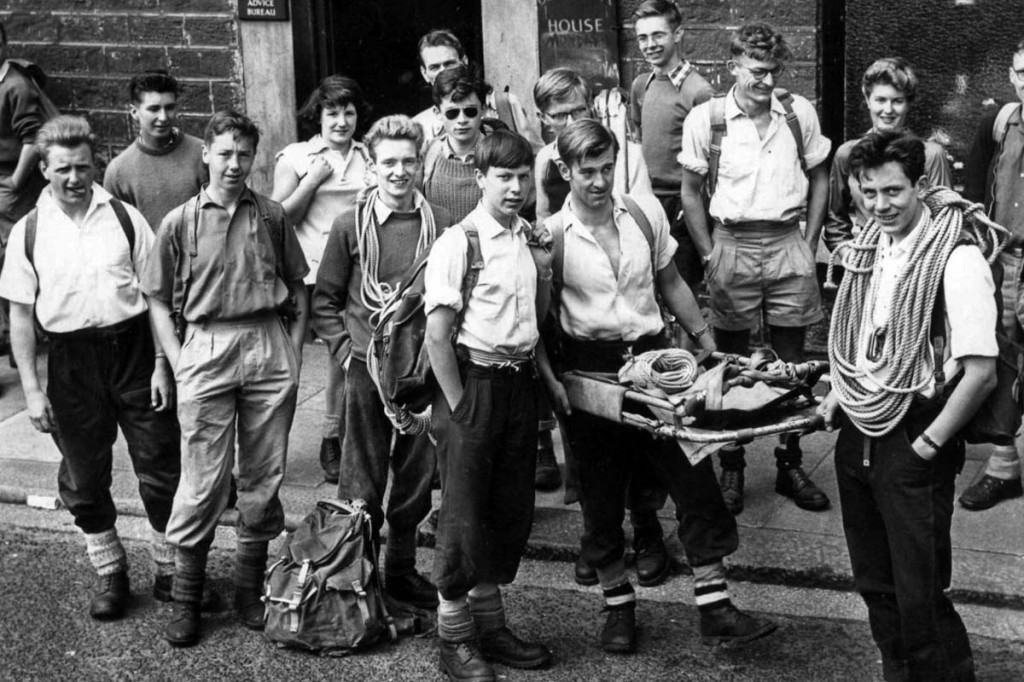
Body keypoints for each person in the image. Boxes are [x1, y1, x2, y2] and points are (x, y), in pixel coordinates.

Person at [538, 119, 775, 654]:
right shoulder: (550, 236)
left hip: (655, 365)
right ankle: (618, 610)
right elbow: (542, 318)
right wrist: (553, 382)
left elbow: (670, 282)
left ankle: (715, 608)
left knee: (695, 482)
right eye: (586, 171)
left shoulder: (643, 215)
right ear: (564, 170)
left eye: (605, 169)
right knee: (601, 500)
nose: (598, 182)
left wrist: (705, 340)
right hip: (590, 375)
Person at [820, 130, 995, 682]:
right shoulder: (871, 245)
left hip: (916, 434)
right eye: (867, 193)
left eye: (893, 192)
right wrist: (839, 394)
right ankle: (898, 672)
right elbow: (864, 333)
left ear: (920, 184)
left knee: (919, 590)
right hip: (860, 425)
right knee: (874, 580)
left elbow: (982, 373)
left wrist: (929, 443)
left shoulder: (956, 257)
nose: (879, 206)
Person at [0, 115, 180, 621]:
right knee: (83, 474)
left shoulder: (124, 218)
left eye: (82, 167)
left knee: (160, 462)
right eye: (62, 169)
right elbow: (20, 314)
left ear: (95, 164)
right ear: (44, 170)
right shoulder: (29, 233)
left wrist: (163, 364)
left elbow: (156, 297)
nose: (74, 178)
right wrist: (33, 391)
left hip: (134, 353)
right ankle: (110, 571)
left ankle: (169, 570)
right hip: (70, 362)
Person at [141, 110, 309, 647]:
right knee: (203, 481)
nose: (234, 164)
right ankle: (187, 599)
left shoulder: (273, 215)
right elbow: (157, 298)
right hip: (206, 346)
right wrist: (177, 357)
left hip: (266, 343)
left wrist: (294, 351)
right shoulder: (180, 221)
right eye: (225, 153)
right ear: (206, 155)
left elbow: (298, 289)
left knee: (263, 475)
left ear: (253, 158)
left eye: (244, 154)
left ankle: (247, 591)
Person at [679, 22, 832, 515]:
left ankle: (790, 462)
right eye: (756, 71)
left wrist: (808, 244)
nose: (766, 80)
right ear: (732, 67)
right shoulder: (709, 119)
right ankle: (732, 463)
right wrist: (708, 253)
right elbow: (689, 191)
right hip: (732, 244)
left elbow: (820, 176)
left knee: (792, 363)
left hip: (788, 240)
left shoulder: (798, 113)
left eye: (773, 71)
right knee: (729, 362)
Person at [532, 67, 671, 591]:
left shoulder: (628, 170)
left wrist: (701, 341)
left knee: (647, 448)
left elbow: (661, 265)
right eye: (558, 113)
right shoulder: (546, 167)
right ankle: (600, 540)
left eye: (575, 108)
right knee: (592, 457)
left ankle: (649, 530)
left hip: (641, 342)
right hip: (585, 349)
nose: (596, 176)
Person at [424, 130, 552, 680]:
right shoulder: (460, 241)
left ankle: (491, 625)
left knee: (507, 508)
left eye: (523, 176)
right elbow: (437, 337)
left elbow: (538, 320)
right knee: (463, 512)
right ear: (480, 179)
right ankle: (454, 635)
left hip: (518, 383)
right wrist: (459, 408)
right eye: (503, 177)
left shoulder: (528, 237)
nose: (515, 187)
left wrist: (544, 266)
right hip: (473, 384)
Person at [311, 115, 452, 610]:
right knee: (361, 475)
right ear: (371, 166)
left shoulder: (441, 227)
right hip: (365, 370)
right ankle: (357, 574)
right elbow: (325, 300)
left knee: (416, 473)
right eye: (388, 162)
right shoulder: (350, 224)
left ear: (421, 164)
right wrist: (345, 350)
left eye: (408, 162)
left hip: (418, 372)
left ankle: (400, 570)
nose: (399, 172)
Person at [272, 75, 371, 484]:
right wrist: (312, 179)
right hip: (308, 273)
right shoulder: (296, 156)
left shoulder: (370, 156)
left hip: (357, 273)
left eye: (349, 112)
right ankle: (273, 449)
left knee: (343, 358)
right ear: (319, 115)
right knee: (293, 361)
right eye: (333, 112)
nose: (342, 121)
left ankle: (336, 437)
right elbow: (279, 217)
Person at [958, 37, 1024, 511]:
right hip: (1003, 259)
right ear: (1011, 74)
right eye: (1022, 73)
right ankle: (1004, 467)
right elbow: (974, 191)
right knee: (1002, 357)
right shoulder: (998, 123)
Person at [629, 0, 715, 288]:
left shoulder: (698, 91)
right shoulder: (642, 84)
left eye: (658, 35)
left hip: (682, 206)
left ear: (677, 34)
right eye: (643, 37)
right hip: (645, 202)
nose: (650, 44)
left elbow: (711, 163)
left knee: (681, 291)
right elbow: (640, 141)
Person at [824, 57, 951, 253]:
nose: (888, 110)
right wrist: (850, 257)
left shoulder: (931, 154)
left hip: (917, 260)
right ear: (867, 100)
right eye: (880, 100)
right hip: (867, 258)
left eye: (897, 101)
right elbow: (835, 221)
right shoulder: (847, 154)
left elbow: (944, 219)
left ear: (908, 104)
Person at [103, 70, 207, 234]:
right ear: (134, 112)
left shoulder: (203, 155)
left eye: (169, 107)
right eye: (154, 109)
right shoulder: (119, 172)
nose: (164, 117)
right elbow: (118, 235)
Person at [0, 21, 48, 359]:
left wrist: (15, 181)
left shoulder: (16, 86)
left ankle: (24, 339)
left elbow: (33, 138)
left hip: (11, 185)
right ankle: (11, 336)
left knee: (15, 258)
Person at [412, 28, 542, 150]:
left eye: (449, 63)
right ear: (424, 74)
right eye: (434, 67)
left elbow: (535, 156)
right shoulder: (420, 124)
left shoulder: (504, 105)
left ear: (464, 62)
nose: (443, 72)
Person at [420, 65, 493, 223]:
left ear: (484, 110)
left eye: (470, 111)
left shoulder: (498, 153)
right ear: (437, 113)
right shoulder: (428, 154)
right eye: (452, 113)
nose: (462, 120)